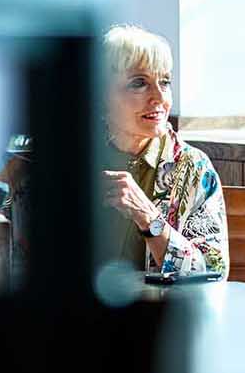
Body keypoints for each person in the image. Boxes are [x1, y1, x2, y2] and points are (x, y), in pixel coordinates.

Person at [96, 24, 226, 274]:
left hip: (158, 311)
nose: (159, 98)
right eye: (139, 83)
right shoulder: (72, 157)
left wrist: (148, 218)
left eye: (164, 82)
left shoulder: (193, 168)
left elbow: (211, 271)